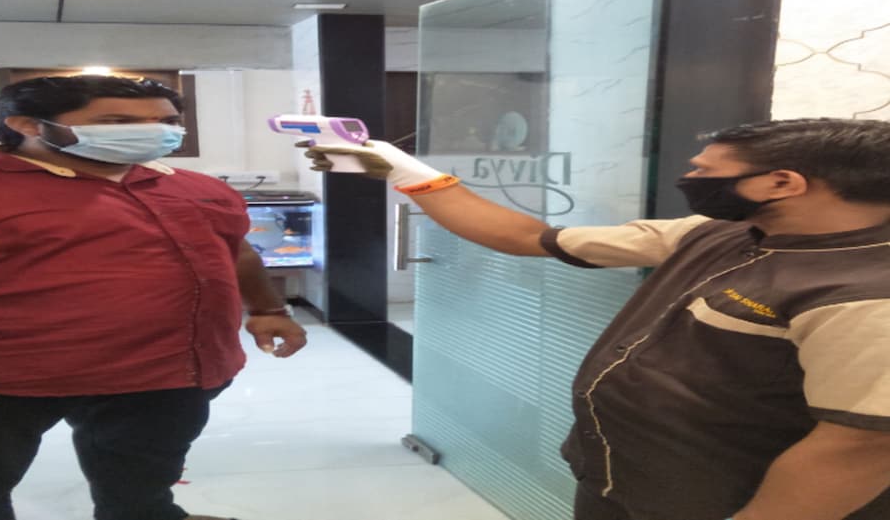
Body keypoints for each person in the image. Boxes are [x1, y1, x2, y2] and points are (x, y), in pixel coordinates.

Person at [302, 117, 890, 520]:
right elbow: (527, 237)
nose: (692, 179)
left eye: (706, 170)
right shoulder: (718, 233)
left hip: (725, 499)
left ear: (782, 183)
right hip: (624, 477)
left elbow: (859, 448)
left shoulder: (866, 292)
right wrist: (408, 174)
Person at [0, 75, 307, 520]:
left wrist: (267, 309)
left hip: (167, 371)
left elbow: (236, 251)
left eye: (166, 121)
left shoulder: (198, 188)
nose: (153, 131)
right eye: (118, 122)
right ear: (28, 125)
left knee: (144, 474)